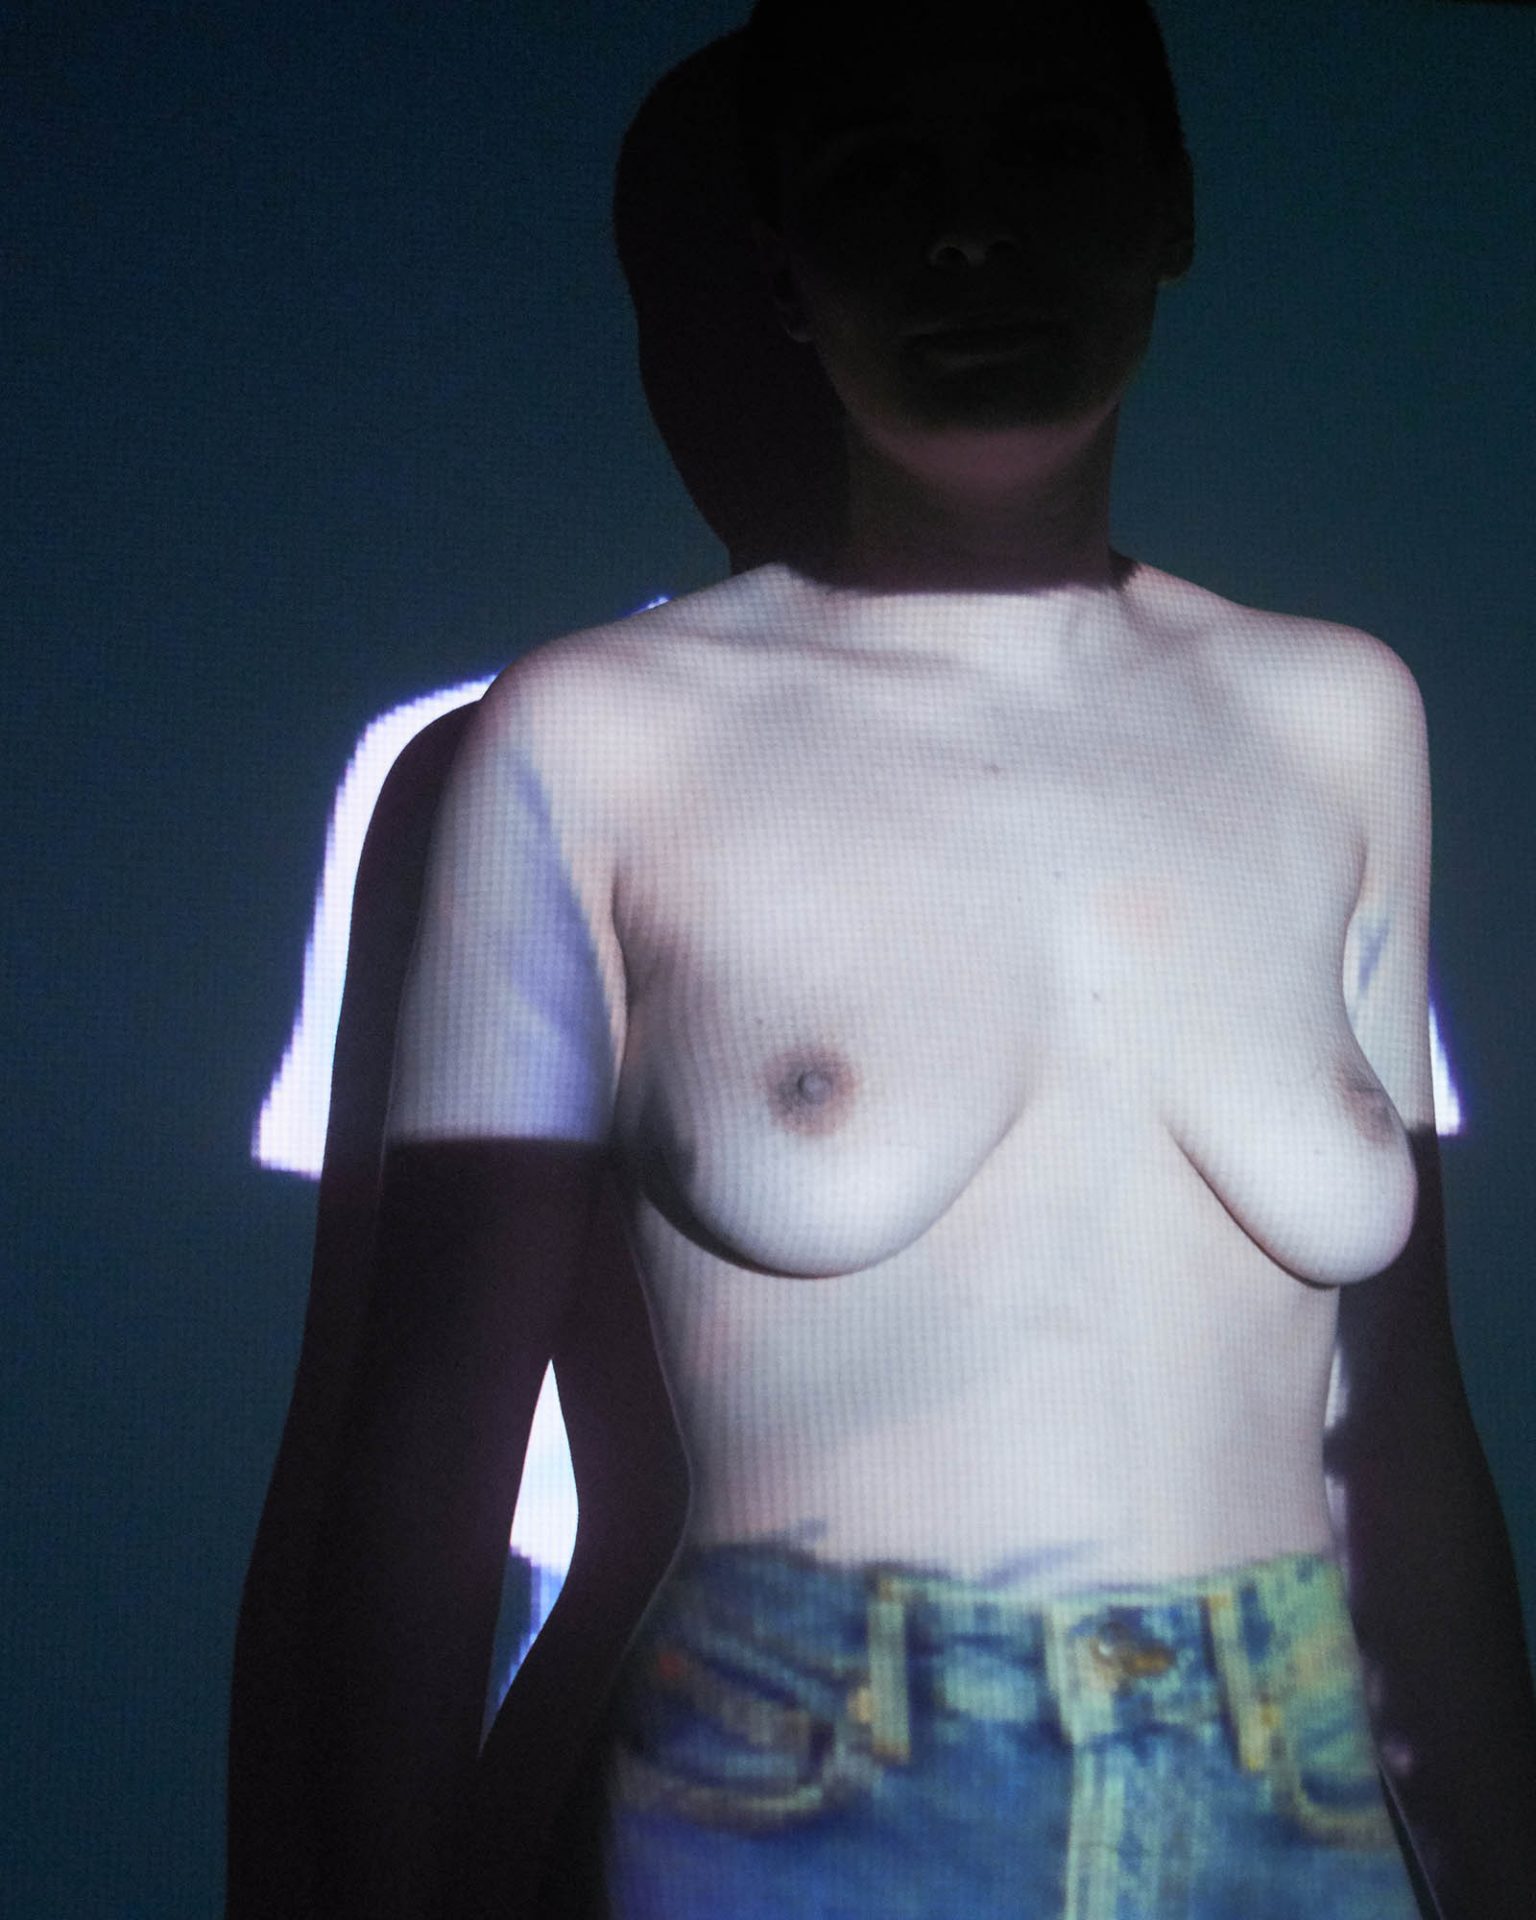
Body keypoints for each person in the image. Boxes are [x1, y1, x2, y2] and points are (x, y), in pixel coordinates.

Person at [228, 2, 1536, 1916]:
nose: (970, 236)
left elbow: (1405, 1446)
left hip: (1299, 1811)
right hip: (783, 1809)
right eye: (881, 177)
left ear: (1168, 206)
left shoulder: (1340, 724)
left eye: (1049, 155)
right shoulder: (592, 742)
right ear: (784, 264)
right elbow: (423, 1463)